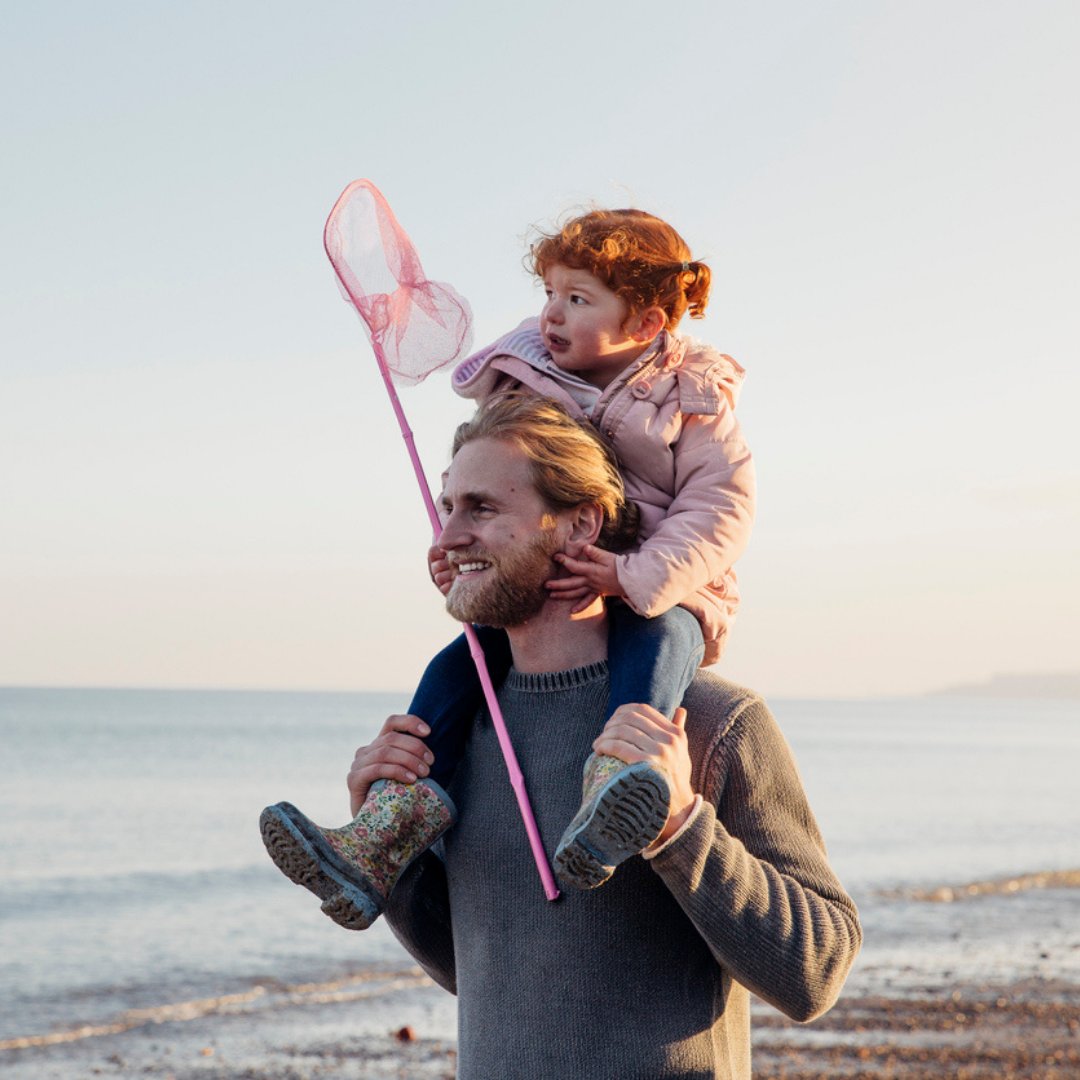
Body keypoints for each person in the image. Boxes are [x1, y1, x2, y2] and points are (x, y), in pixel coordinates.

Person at [262, 207, 756, 916]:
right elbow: (476, 967)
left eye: (578, 299)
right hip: (549, 583)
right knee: (453, 663)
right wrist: (467, 558)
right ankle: (388, 828)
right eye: (549, 294)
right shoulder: (528, 372)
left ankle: (620, 785)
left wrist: (632, 575)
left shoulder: (692, 398)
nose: (553, 314)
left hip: (660, 584)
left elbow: (721, 507)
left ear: (647, 323)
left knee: (665, 636)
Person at [348, 395, 858, 1078]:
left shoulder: (709, 721)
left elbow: (815, 974)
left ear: (580, 523)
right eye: (448, 509)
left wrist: (679, 826)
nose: (447, 538)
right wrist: (395, 860)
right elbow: (491, 979)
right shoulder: (455, 737)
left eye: (483, 509)